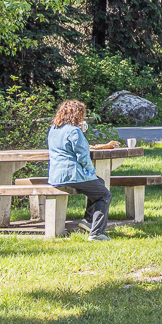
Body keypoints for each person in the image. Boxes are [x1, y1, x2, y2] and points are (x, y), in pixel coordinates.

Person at [47, 100, 117, 241]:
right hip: (73, 175)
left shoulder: (53, 130)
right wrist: (92, 172)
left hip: (56, 176)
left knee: (99, 183)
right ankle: (97, 233)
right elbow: (83, 156)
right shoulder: (74, 131)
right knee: (104, 194)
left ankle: (88, 220)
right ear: (77, 115)